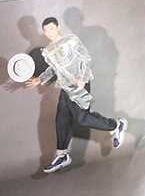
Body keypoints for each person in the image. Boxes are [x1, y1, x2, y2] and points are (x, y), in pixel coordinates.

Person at [24, 16, 127, 173]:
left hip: (80, 83)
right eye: (46, 30)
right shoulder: (49, 50)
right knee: (61, 119)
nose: (49, 32)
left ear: (58, 27)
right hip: (65, 87)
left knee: (82, 118)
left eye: (51, 28)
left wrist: (82, 78)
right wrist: (39, 79)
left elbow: (85, 57)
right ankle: (62, 155)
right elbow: (53, 70)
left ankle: (116, 125)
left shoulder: (71, 40)